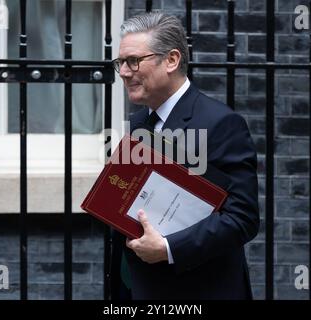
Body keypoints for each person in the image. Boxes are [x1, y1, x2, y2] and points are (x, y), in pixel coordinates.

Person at [110, 12, 259, 300]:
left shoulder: (221, 124)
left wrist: (168, 249)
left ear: (172, 60)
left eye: (133, 61)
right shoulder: (138, 122)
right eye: (121, 63)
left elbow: (243, 218)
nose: (124, 72)